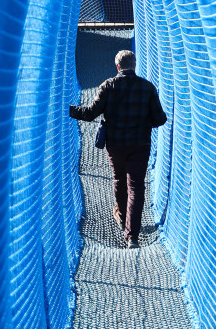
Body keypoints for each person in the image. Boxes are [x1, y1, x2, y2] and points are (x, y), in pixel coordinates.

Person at [69, 48, 167, 248]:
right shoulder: (147, 88)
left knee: (119, 180)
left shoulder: (108, 86)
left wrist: (66, 108)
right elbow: (160, 119)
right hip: (140, 145)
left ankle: (122, 218)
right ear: (134, 65)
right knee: (136, 187)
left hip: (115, 144)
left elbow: (89, 113)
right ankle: (132, 236)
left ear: (117, 67)